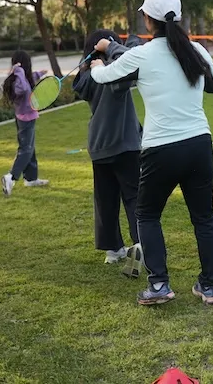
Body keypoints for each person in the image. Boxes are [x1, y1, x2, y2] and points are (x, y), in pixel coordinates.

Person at [90, 0, 213, 306]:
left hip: (161, 149)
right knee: (204, 218)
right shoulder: (196, 50)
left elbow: (103, 78)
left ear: (149, 19)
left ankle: (160, 285)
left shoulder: (142, 55)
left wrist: (97, 64)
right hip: (199, 145)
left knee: (147, 215)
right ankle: (209, 286)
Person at [73, 30, 143, 271]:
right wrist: (129, 42)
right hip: (125, 143)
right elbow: (135, 60)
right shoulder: (113, 71)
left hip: (99, 145)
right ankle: (139, 245)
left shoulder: (87, 75)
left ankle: (113, 249)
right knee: (134, 197)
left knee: (105, 199)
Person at [0, 50, 49, 196]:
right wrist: (18, 70)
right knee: (26, 149)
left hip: (26, 117)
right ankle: (11, 177)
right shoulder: (17, 79)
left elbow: (29, 80)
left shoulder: (22, 78)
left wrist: (40, 73)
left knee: (30, 147)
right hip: (25, 119)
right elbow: (24, 88)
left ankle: (31, 178)